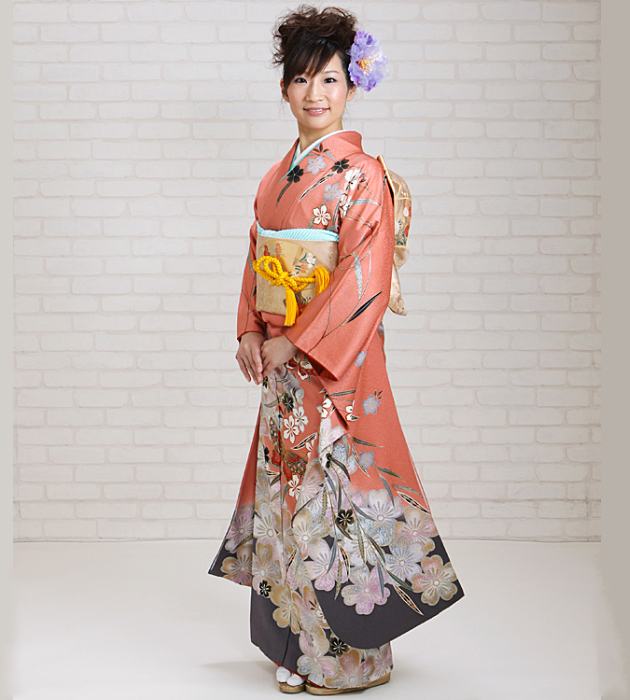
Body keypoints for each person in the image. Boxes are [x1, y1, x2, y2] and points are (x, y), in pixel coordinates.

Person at [208, 5, 465, 695]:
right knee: (286, 501)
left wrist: (295, 341)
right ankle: (298, 647)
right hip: (282, 367)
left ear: (351, 85)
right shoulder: (277, 177)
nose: (315, 93)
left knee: (334, 502)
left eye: (328, 79)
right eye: (301, 79)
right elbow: (257, 257)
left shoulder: (361, 176)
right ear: (284, 89)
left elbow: (364, 278)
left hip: (334, 368)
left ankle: (351, 661)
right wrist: (250, 330)